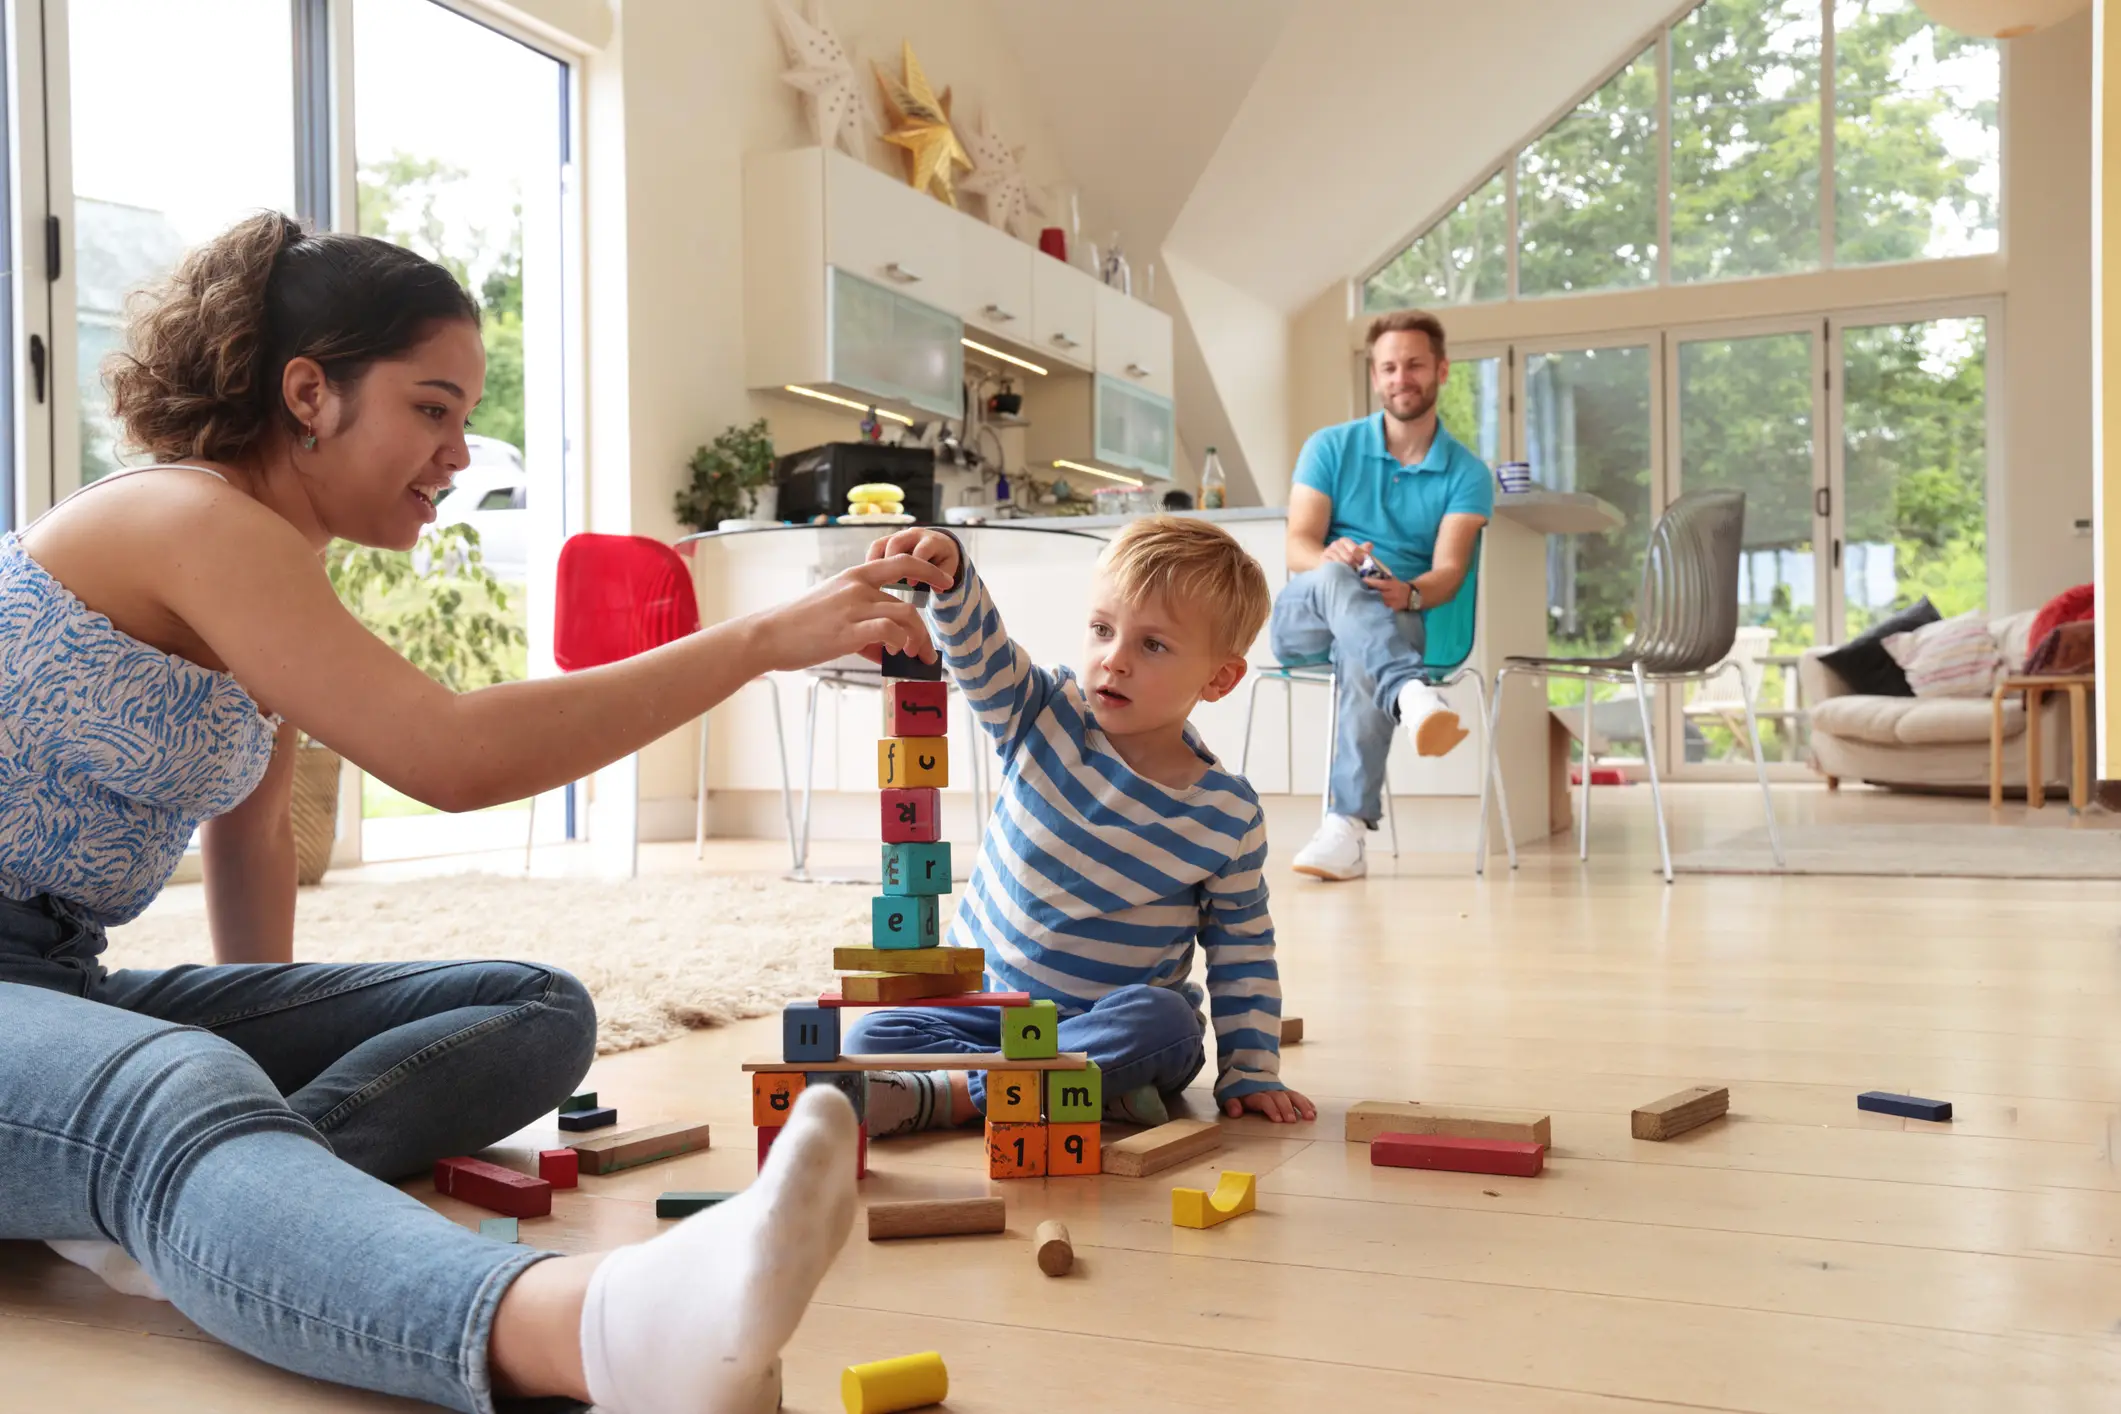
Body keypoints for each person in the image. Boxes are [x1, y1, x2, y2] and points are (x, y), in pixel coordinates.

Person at [0, 211, 955, 1414]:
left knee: (528, 1008)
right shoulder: (189, 519)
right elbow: (446, 755)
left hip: (52, 985)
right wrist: (760, 639)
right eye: (432, 407)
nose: (458, 452)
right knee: (176, 1084)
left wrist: (260, 1025)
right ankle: (594, 1332)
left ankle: (202, 1202)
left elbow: (250, 833)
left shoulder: (264, 560)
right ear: (311, 391)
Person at [844, 517, 1316, 1135]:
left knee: (1166, 1025)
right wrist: (954, 578)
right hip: (989, 1010)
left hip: (1106, 1020)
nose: (1113, 660)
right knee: (872, 1032)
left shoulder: (1225, 814)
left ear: (1218, 679)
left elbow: (1242, 950)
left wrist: (1252, 1070)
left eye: (1153, 645)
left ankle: (954, 1096)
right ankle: (1071, 1088)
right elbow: (983, 658)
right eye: (1102, 630)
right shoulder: (1042, 713)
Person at [1272, 310, 1494, 882]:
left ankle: (1343, 831)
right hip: (1307, 614)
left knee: (1366, 644)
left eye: (1415, 364)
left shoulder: (1466, 472)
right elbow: (1299, 545)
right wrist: (1335, 559)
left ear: (1441, 370)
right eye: (1389, 367)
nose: (1402, 377)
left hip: (1399, 612)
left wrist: (1410, 592)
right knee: (1336, 576)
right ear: (1375, 377)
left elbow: (1448, 570)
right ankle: (1412, 694)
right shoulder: (1330, 446)